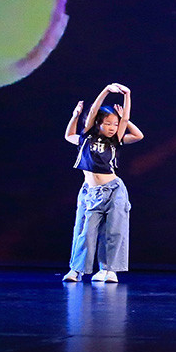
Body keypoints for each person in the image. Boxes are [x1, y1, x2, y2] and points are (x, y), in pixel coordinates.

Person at [63, 83, 144, 282]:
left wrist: (127, 95)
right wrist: (106, 90)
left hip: (114, 190)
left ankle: (109, 270)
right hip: (91, 192)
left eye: (115, 124)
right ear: (98, 123)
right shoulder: (86, 136)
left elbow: (130, 125)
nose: (112, 128)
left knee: (114, 231)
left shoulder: (115, 139)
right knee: (85, 232)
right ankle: (76, 270)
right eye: (108, 123)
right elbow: (90, 113)